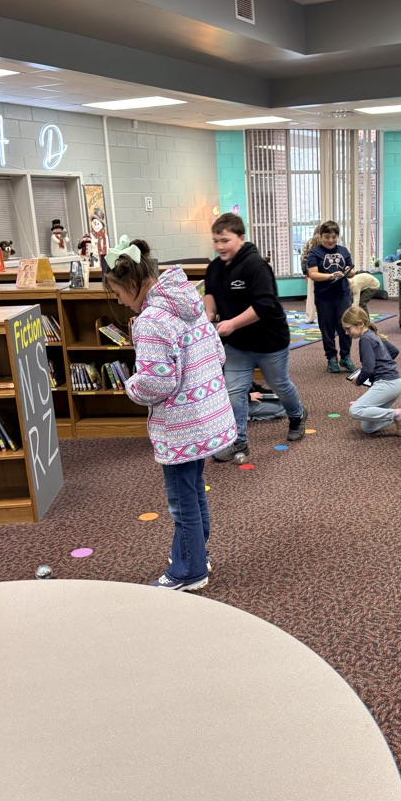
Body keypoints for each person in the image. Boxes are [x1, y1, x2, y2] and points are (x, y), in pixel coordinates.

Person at [103, 236, 236, 591]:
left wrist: (130, 386)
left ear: (133, 284)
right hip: (205, 416)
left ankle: (189, 571)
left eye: (118, 294)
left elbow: (156, 382)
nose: (120, 302)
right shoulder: (188, 301)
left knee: (182, 500)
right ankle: (196, 554)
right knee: (194, 491)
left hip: (179, 426)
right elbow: (218, 354)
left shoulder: (151, 321)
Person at [203, 213, 308, 462]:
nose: (219, 246)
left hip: (269, 341)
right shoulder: (215, 267)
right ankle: (238, 441)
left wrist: (232, 324)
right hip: (238, 344)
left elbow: (263, 306)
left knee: (279, 384)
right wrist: (209, 314)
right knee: (234, 390)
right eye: (216, 241)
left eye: (225, 240)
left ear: (241, 238)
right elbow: (210, 293)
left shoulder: (255, 266)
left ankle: (297, 415)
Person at [342, 305, 401, 437]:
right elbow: (394, 351)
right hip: (394, 383)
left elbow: (368, 368)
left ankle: (399, 413)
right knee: (368, 427)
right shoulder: (372, 334)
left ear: (360, 324)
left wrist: (358, 381)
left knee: (355, 410)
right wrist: (382, 363)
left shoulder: (365, 339)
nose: (346, 332)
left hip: (386, 384)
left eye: (348, 328)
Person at [306, 220, 355, 373]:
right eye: (327, 237)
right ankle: (331, 358)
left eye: (334, 237)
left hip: (342, 295)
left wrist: (347, 271)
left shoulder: (343, 251)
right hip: (324, 296)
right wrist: (330, 276)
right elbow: (313, 274)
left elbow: (352, 272)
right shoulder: (315, 253)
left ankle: (345, 357)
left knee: (346, 326)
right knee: (327, 329)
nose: (330, 240)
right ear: (321, 236)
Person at [300, 225, 321, 324]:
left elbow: (304, 257)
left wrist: (305, 271)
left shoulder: (310, 242)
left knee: (311, 295)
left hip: (312, 271)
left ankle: (310, 317)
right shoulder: (326, 242)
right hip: (324, 272)